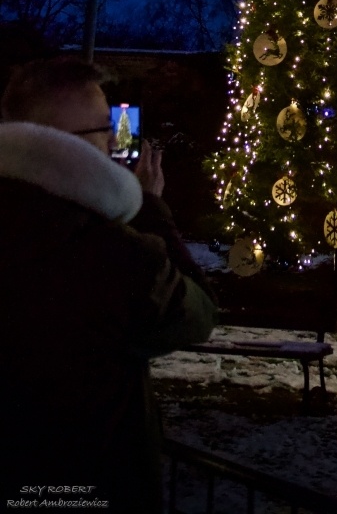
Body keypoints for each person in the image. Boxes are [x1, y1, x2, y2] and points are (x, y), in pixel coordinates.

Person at [0, 57, 217, 513]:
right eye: (108, 130)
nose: (120, 146)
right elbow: (195, 314)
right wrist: (153, 209)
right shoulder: (114, 256)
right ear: (74, 144)